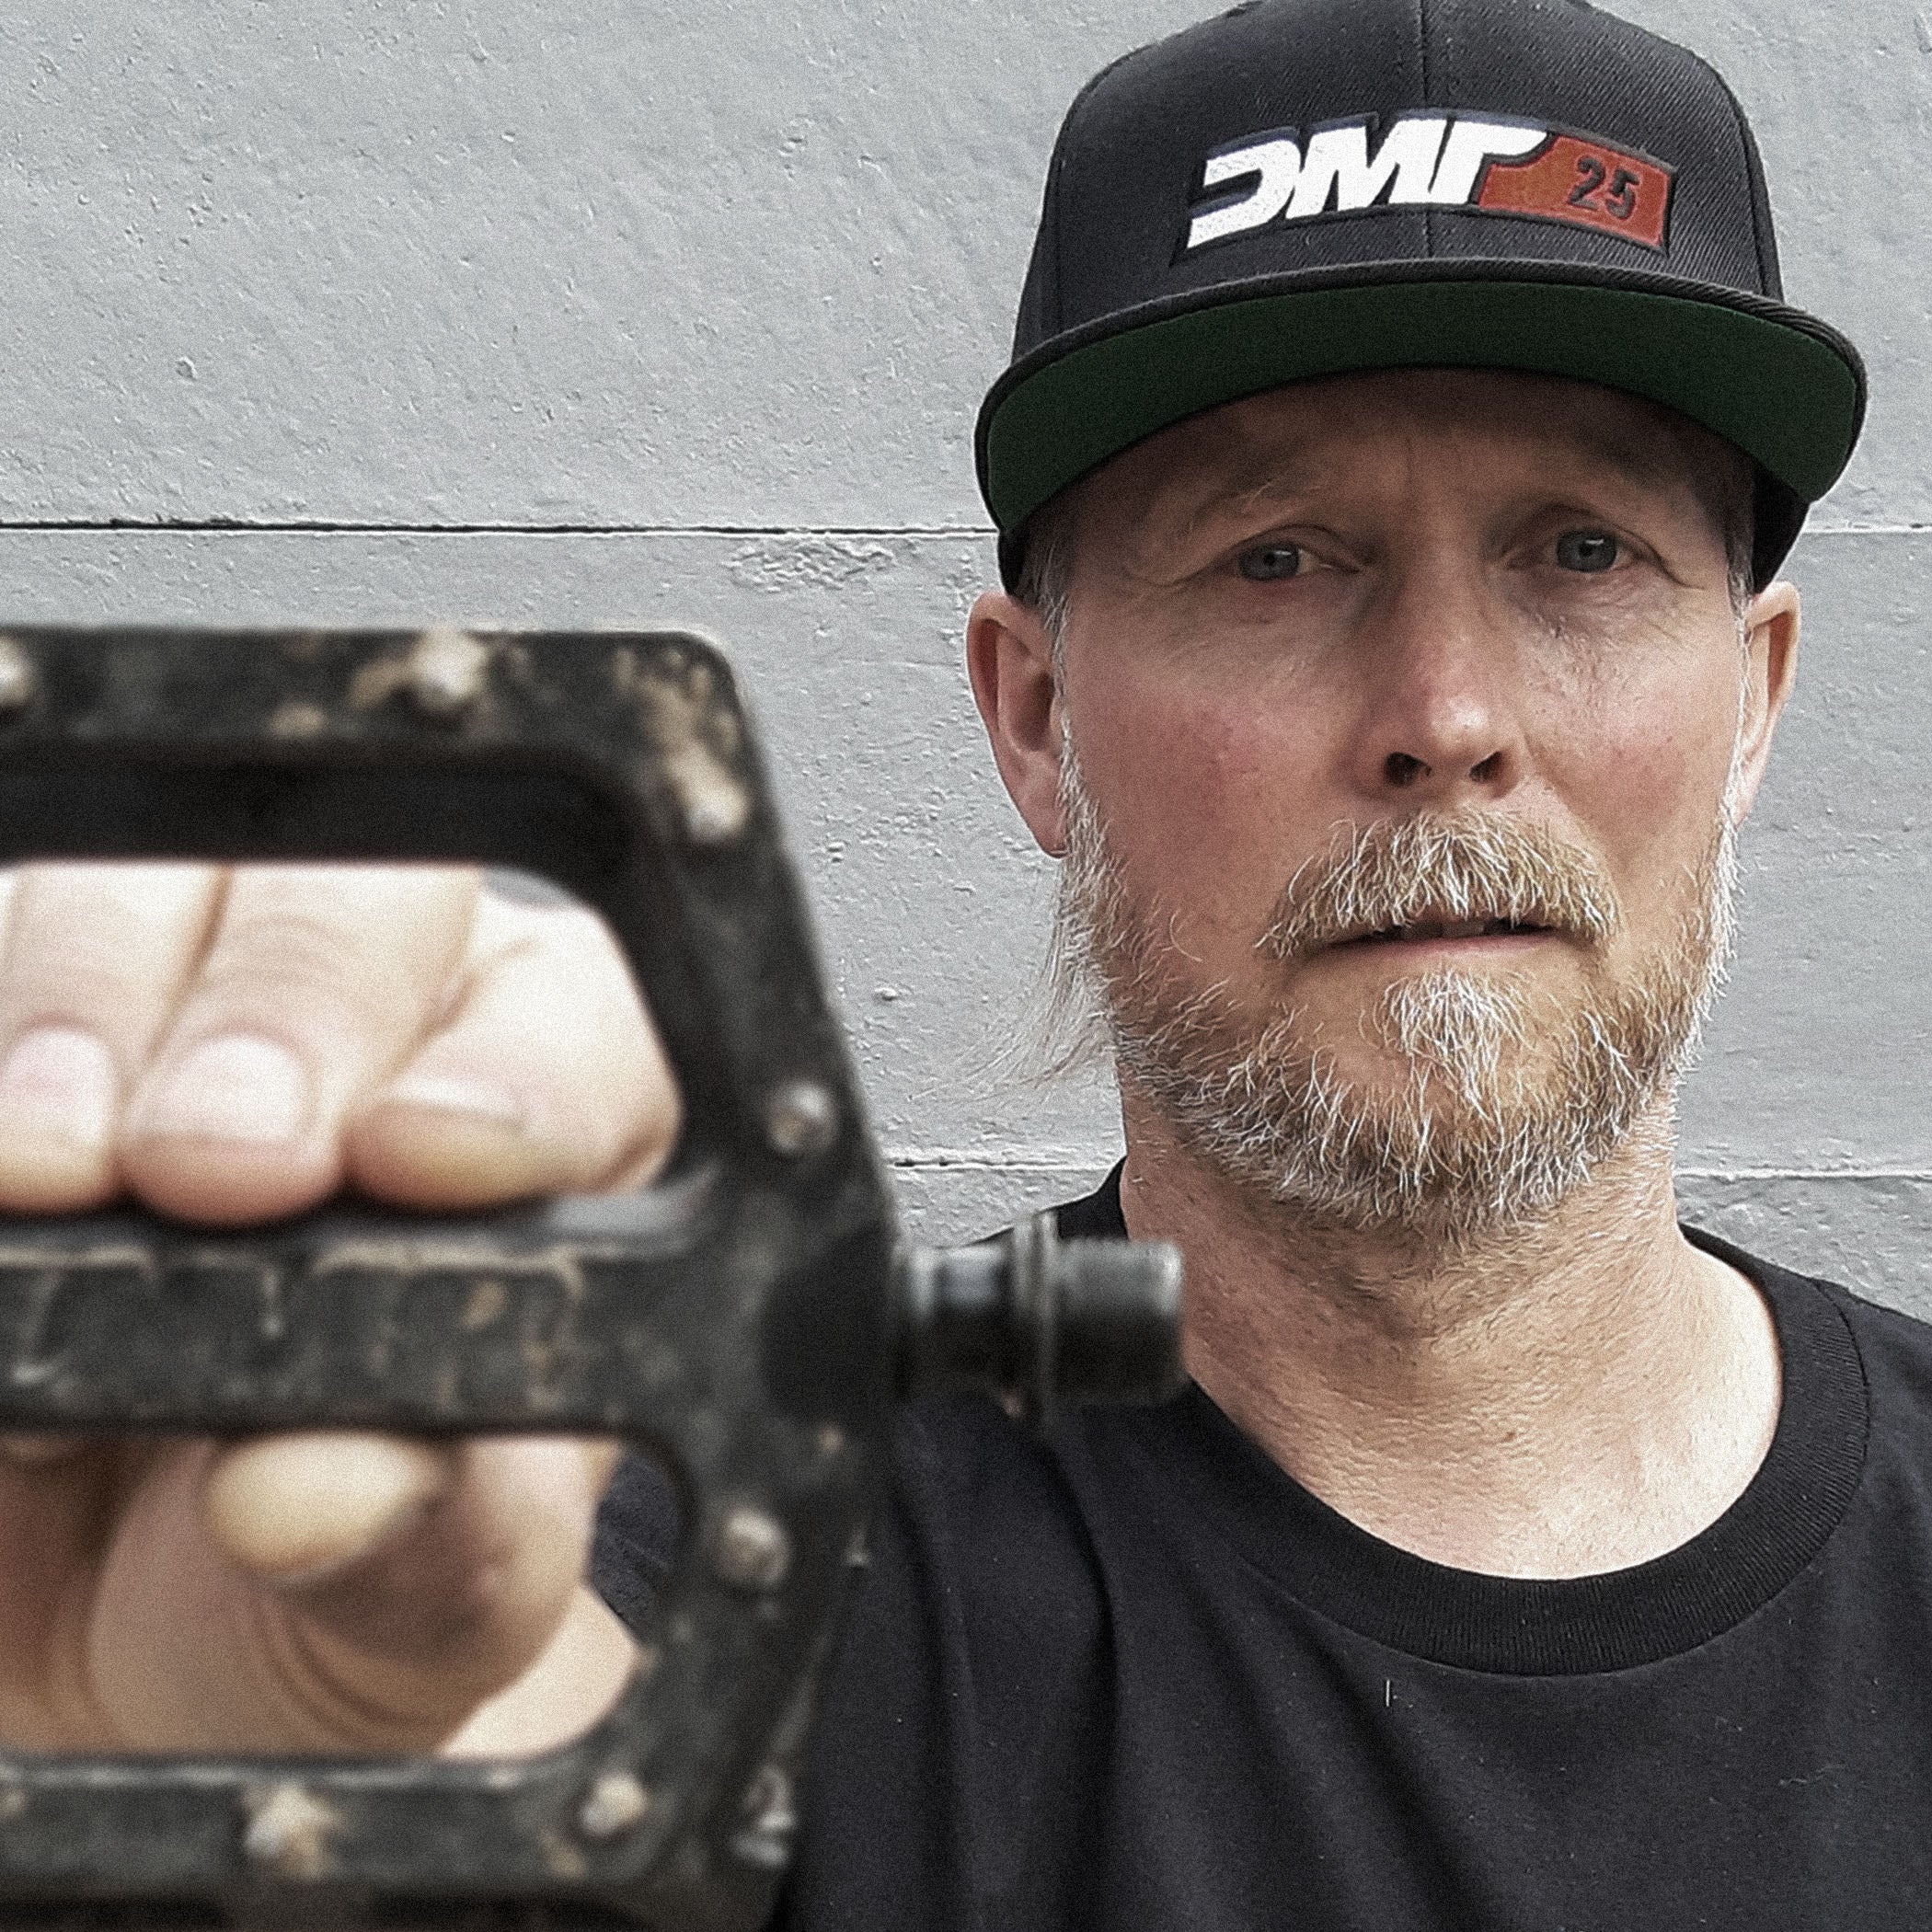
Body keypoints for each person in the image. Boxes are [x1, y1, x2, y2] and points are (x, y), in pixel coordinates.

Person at [0, 0, 1915, 1923]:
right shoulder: (727, 1564)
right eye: (1276, 557)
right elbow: (482, 1717)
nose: (1446, 713)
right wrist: (200, 1789)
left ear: (1750, 704)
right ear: (1033, 722)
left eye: (1582, 553)